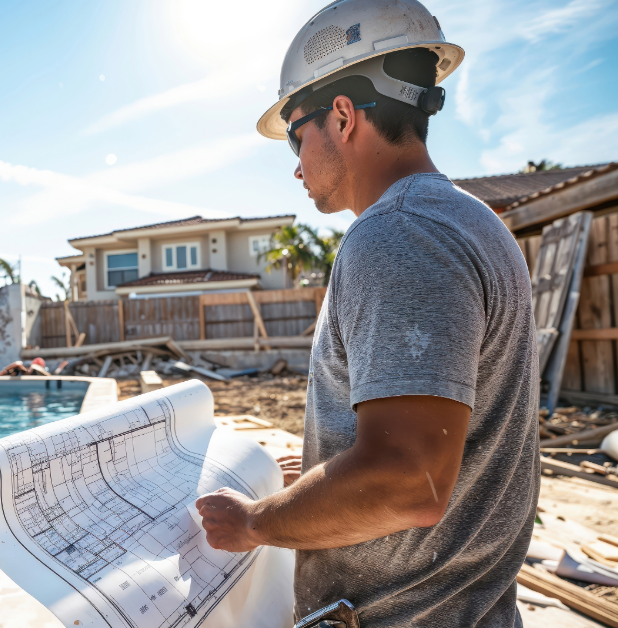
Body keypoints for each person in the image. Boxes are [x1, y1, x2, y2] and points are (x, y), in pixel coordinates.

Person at [195, 1, 539, 626]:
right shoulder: (471, 222)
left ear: (345, 115)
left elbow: (410, 481)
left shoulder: (399, 236)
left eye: (297, 136)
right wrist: (324, 461)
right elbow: (446, 436)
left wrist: (252, 523)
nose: (296, 165)